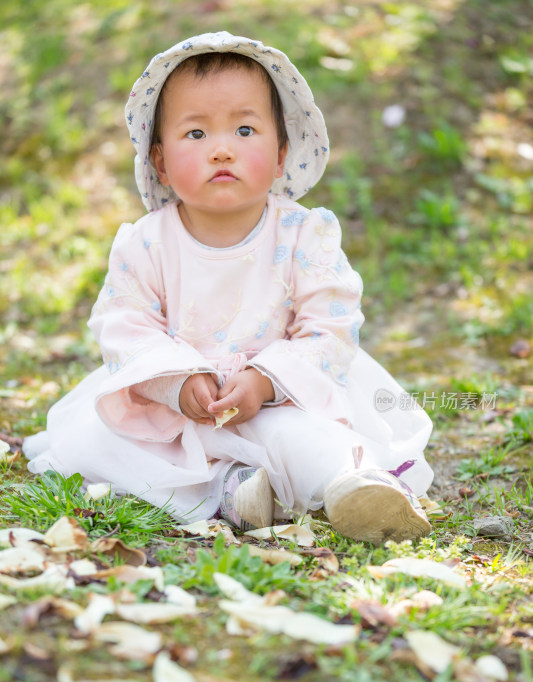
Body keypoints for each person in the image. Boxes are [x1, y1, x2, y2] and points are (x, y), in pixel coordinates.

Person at [24, 31, 434, 544]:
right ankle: (234, 491)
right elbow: (123, 324)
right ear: (160, 163)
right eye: (195, 135)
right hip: (175, 412)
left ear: (282, 155)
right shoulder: (147, 244)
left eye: (244, 129)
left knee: (302, 439)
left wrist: (267, 380)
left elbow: (331, 325)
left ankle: (351, 486)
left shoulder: (305, 235)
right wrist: (174, 381)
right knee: (111, 445)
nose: (221, 149)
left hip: (282, 398)